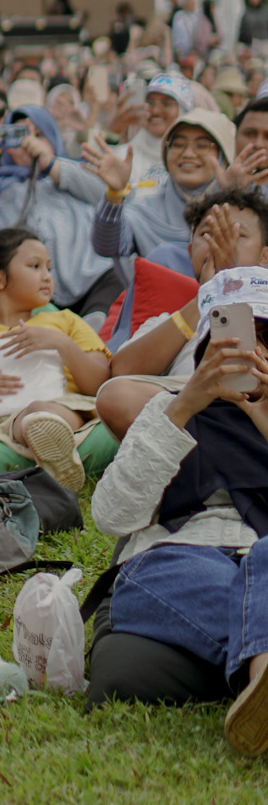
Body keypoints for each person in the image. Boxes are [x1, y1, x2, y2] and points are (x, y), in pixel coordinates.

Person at [89, 277, 268, 751]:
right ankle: (262, 667)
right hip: (182, 556)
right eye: (238, 343)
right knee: (181, 570)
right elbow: (112, 515)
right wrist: (186, 404)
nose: (254, 355)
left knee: (266, 558)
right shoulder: (170, 412)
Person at [0, 226, 108, 493]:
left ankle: (48, 440)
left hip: (60, 410)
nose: (47, 277)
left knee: (41, 412)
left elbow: (101, 384)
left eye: (49, 268)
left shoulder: (65, 321)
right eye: (35, 266)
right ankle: (48, 453)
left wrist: (61, 344)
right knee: (22, 421)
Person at [96, 186, 268, 436]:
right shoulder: (169, 319)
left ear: (265, 257)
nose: (220, 242)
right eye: (208, 233)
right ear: (189, 252)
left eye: (236, 235)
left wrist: (231, 287)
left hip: (255, 402)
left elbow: (246, 375)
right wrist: (207, 296)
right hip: (190, 404)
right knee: (116, 396)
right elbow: (123, 371)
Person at [0, 105, 115, 316]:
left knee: (113, 285)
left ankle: (91, 328)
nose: (27, 143)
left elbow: (113, 196)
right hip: (22, 299)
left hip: (90, 285)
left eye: (39, 135)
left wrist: (51, 165)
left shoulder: (73, 175)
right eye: (17, 136)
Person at [88, 108, 237, 274]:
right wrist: (114, 194)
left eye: (202, 146)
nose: (188, 153)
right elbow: (107, 247)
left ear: (223, 156)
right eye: (178, 144)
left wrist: (235, 193)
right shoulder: (146, 210)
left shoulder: (238, 210)